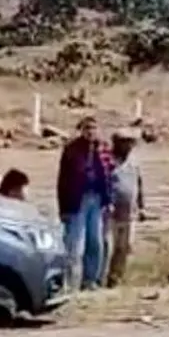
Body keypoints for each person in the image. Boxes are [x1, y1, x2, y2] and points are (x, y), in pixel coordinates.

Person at [56, 115, 113, 290]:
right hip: (77, 200)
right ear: (81, 130)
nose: (91, 132)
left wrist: (109, 201)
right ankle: (70, 282)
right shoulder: (71, 150)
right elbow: (63, 180)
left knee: (95, 242)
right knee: (75, 243)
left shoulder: (103, 149)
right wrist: (63, 208)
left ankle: (90, 281)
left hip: (97, 199)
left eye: (93, 128)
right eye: (87, 128)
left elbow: (109, 176)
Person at [106, 131, 145, 287]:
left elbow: (139, 185)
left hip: (130, 212)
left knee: (126, 246)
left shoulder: (134, 163)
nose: (129, 146)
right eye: (125, 142)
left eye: (131, 143)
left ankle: (116, 277)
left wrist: (142, 207)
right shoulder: (108, 162)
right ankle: (103, 276)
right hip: (112, 213)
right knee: (110, 246)